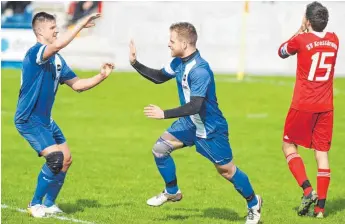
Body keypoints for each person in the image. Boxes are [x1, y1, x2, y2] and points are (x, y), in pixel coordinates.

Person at [129, 22, 262, 224]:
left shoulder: (200, 70)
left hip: (210, 128)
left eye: (172, 41)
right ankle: (172, 191)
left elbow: (195, 106)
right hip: (190, 123)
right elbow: (158, 77)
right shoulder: (178, 62)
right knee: (159, 149)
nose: (168, 44)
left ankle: (253, 203)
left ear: (184, 43)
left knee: (227, 171)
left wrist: (163, 113)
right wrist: (135, 63)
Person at [14, 11, 114, 218]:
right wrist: (80, 24)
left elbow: (78, 85)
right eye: (52, 28)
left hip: (45, 120)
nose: (57, 30)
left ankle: (49, 204)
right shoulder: (35, 53)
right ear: (40, 31)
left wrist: (101, 76)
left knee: (66, 159)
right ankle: (34, 204)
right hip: (29, 118)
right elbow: (58, 45)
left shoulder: (57, 60)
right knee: (56, 158)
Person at [278, 1, 338, 218]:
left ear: (308, 20)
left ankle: (307, 190)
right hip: (326, 107)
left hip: (303, 105)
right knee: (321, 153)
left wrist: (300, 29)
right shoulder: (334, 40)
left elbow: (282, 51)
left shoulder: (301, 40)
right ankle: (320, 209)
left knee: (288, 145)